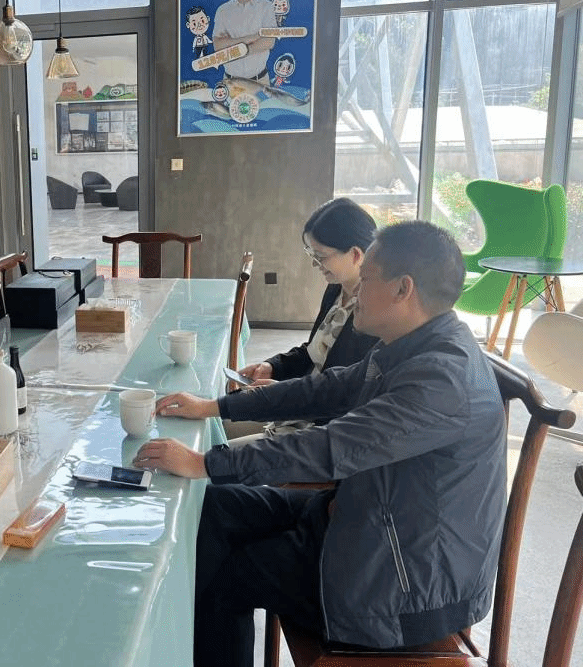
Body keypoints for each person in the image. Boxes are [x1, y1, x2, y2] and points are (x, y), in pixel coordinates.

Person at [133, 221, 506, 667]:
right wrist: (215, 407)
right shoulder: (413, 344)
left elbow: (331, 448)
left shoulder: (442, 381)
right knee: (213, 509)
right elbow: (326, 389)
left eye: (367, 279)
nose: (356, 291)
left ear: (403, 289)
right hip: (370, 519)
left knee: (224, 576)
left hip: (403, 583)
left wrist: (205, 462)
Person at [226, 197, 378, 442]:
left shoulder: (374, 315)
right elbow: (313, 351)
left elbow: (347, 397)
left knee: (215, 452)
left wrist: (282, 394)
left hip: (323, 432)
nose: (315, 263)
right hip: (298, 410)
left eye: (321, 256)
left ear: (355, 254)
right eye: (311, 253)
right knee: (215, 423)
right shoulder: (336, 289)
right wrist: (273, 367)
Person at [212, 0, 278, 82]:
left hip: (260, 80)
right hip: (230, 81)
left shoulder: (266, 6)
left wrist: (236, 48)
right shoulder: (223, 10)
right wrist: (252, 38)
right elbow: (218, 45)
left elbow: (269, 41)